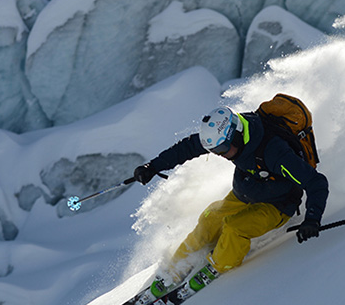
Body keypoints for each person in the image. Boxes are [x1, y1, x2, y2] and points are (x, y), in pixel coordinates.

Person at [132, 104, 329, 293]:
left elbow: (316, 182)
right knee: (209, 218)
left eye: (223, 149)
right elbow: (188, 147)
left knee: (235, 228)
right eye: (216, 151)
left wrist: (312, 218)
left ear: (236, 134)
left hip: (277, 204)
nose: (221, 155)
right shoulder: (227, 132)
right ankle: (175, 270)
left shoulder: (274, 151)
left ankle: (217, 267)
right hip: (244, 192)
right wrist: (153, 166)